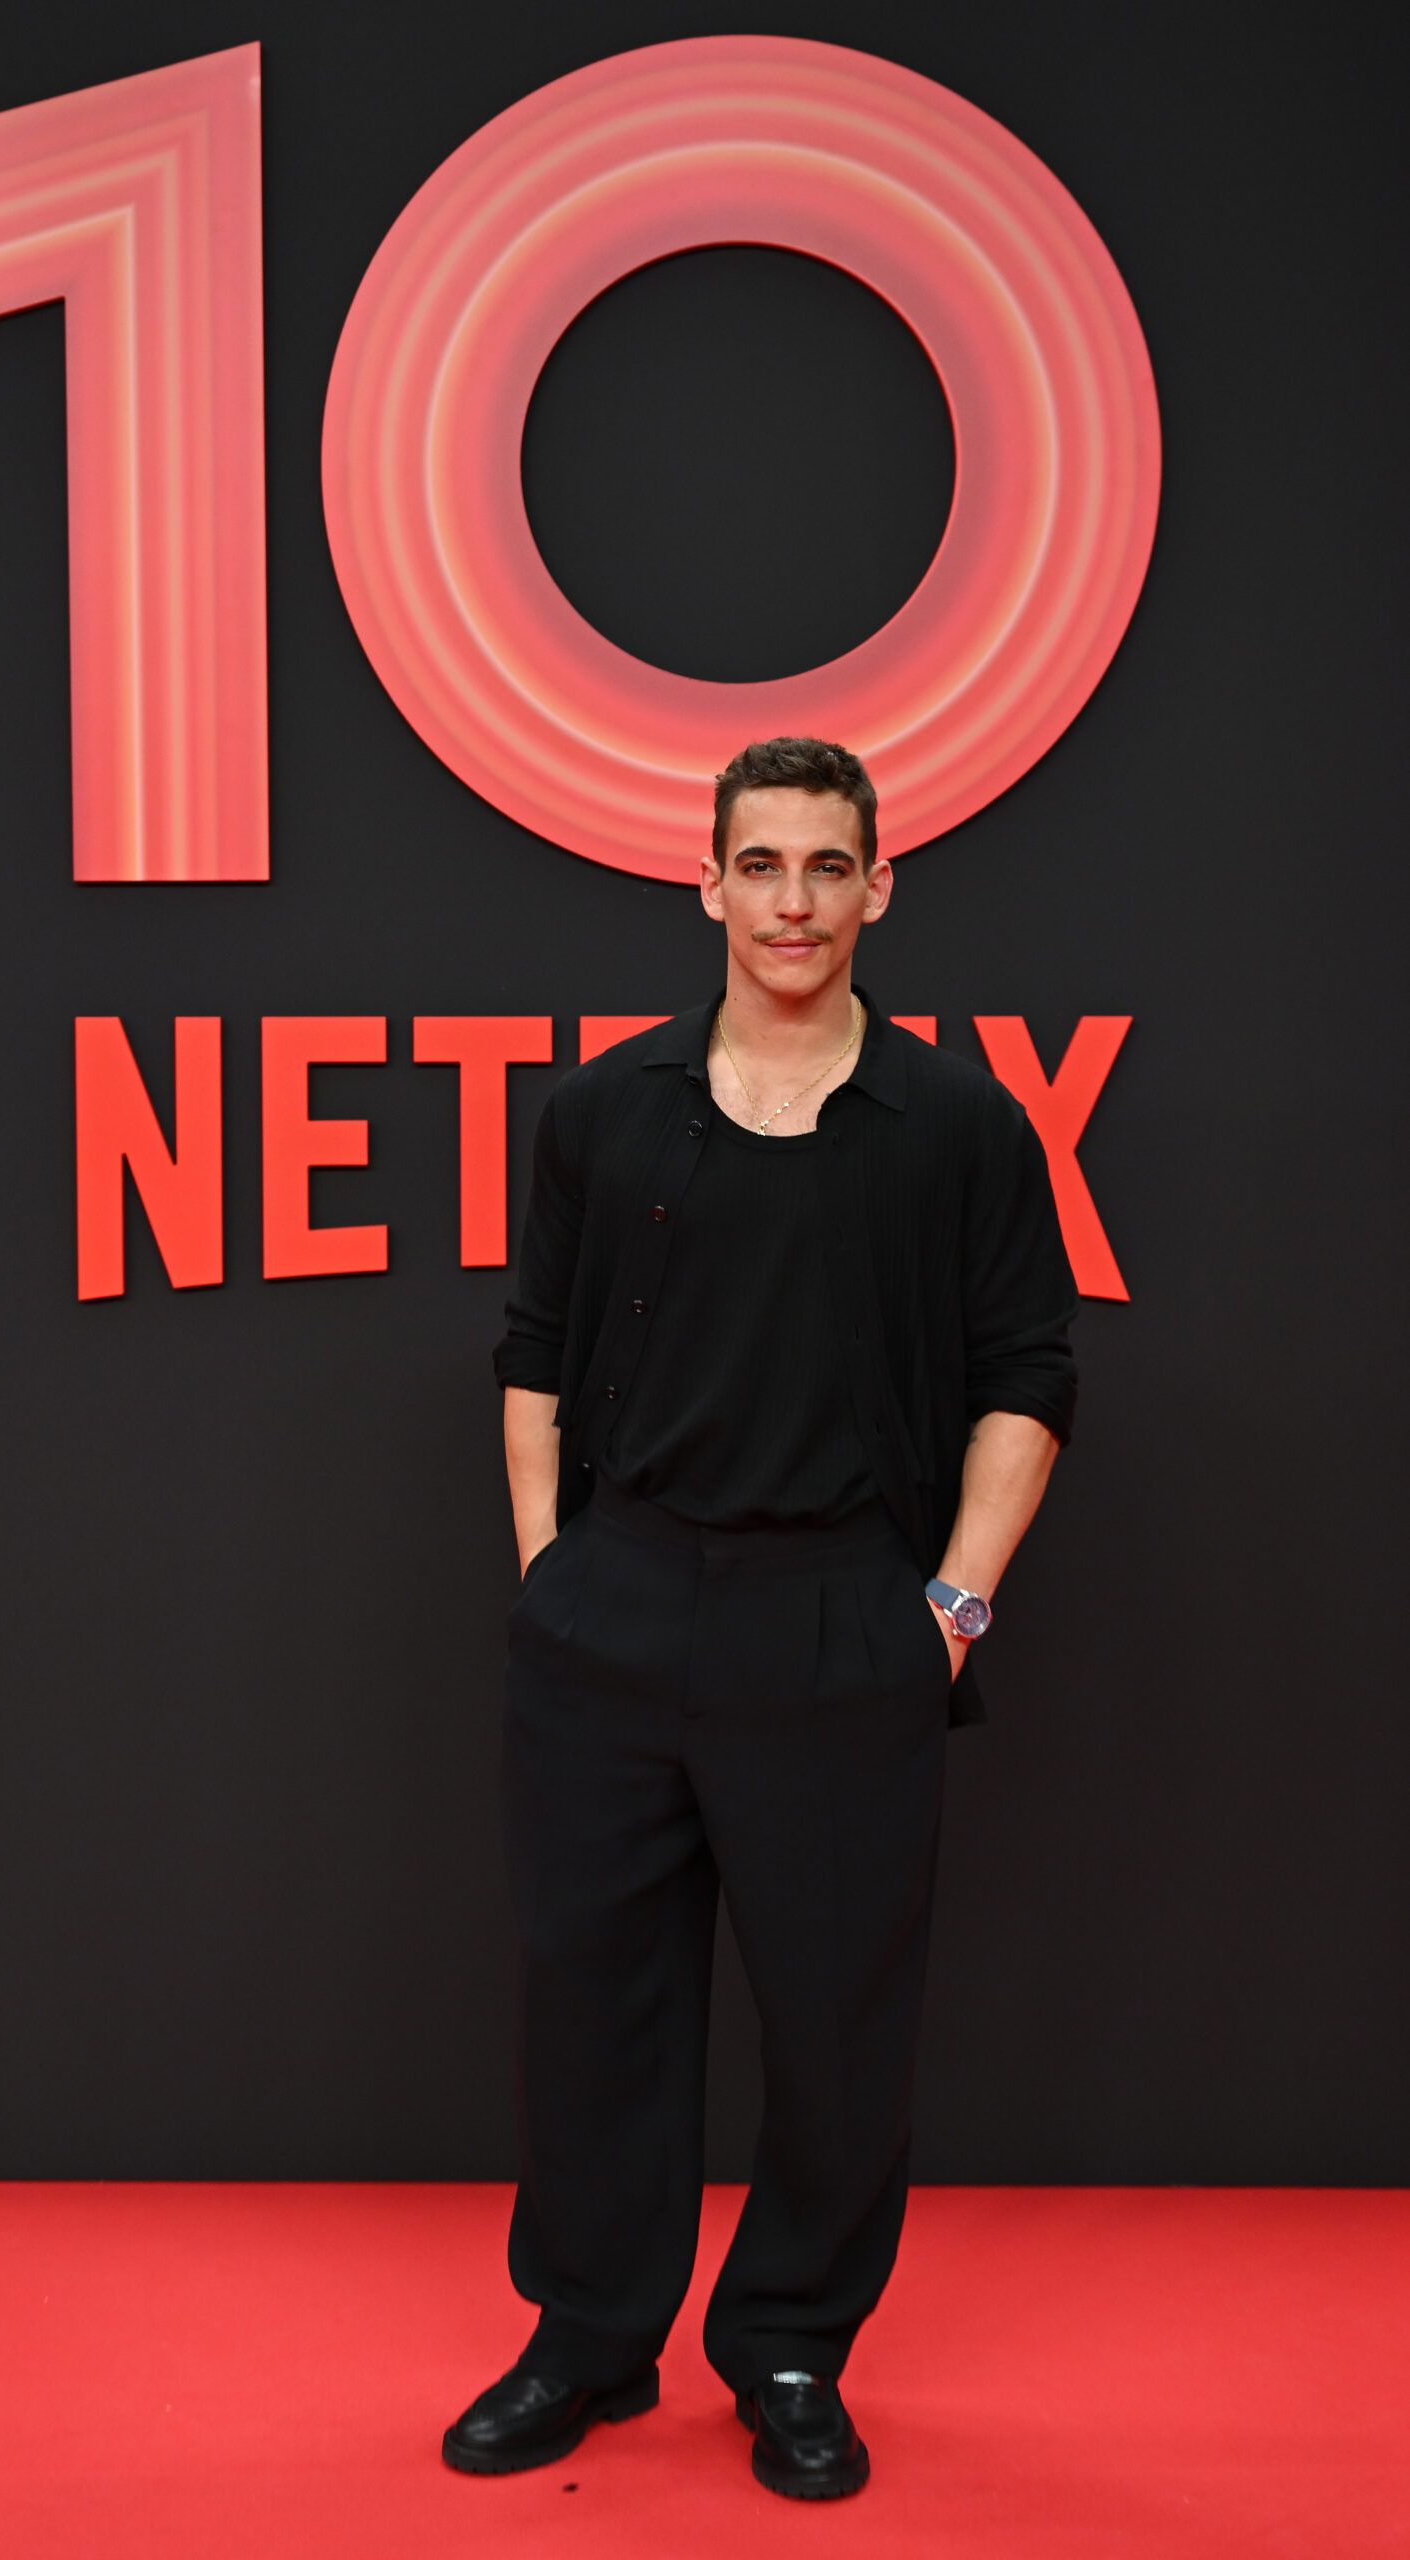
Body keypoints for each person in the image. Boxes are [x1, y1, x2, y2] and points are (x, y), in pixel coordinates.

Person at [443, 736, 1077, 2501]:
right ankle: (588, 2337)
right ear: (707, 881)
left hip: (842, 1617)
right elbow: (533, 1354)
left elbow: (1030, 1374)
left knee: (837, 2025)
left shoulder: (955, 1125)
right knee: (592, 2007)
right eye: (762, 865)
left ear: (880, 887)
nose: (793, 902)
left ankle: (792, 2341)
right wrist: (550, 1571)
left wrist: (949, 1608)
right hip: (617, 1605)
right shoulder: (605, 1111)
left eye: (826, 866)